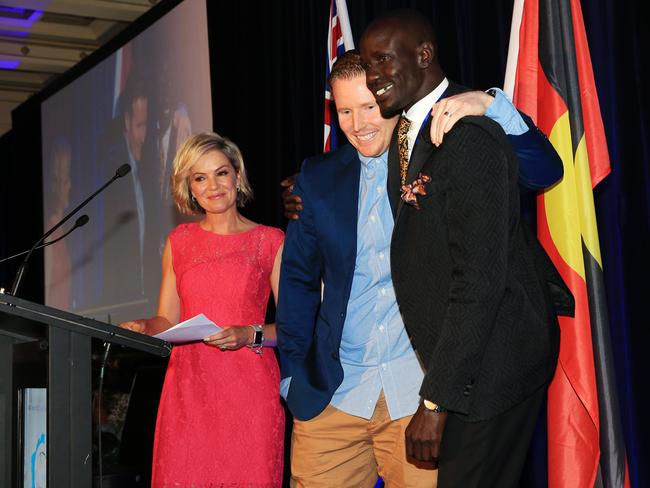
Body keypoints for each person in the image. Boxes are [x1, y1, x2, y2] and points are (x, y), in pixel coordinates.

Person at [358, 9, 570, 487]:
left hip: (495, 362)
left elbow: (479, 280)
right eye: (367, 66)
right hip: (466, 367)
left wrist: (435, 402)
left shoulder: (469, 129)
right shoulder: (408, 130)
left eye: (382, 61)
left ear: (424, 55)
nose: (373, 79)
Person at [120, 132, 285, 487]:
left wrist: (248, 333)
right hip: (188, 392)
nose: (213, 185)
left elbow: (293, 328)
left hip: (250, 393)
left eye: (221, 173)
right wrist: (145, 326)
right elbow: (166, 318)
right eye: (200, 177)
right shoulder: (178, 242)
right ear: (189, 188)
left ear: (237, 177)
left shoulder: (270, 240)